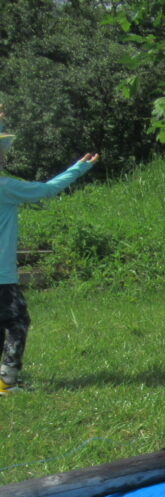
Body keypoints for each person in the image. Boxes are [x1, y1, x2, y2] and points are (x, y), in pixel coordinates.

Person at [0, 104, 99, 394]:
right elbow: (46, 190)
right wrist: (80, 168)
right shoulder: (5, 187)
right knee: (18, 320)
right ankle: (6, 381)